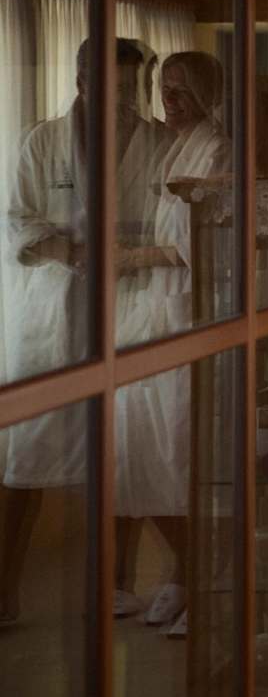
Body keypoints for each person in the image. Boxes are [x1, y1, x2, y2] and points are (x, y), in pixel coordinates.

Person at [1, 37, 172, 625]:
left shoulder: (158, 142)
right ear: (81, 82)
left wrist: (130, 256)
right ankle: (4, 590)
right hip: (55, 313)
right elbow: (17, 218)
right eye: (113, 86)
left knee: (126, 447)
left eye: (133, 87)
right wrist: (74, 253)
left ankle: (118, 583)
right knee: (28, 452)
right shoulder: (42, 141)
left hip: (130, 303)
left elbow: (171, 222)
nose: (126, 98)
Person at [112, 51, 231, 636]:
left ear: (207, 95)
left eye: (182, 91)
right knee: (137, 442)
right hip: (153, 308)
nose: (170, 101)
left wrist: (134, 258)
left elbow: (196, 239)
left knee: (179, 446)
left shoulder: (217, 149)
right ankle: (188, 573)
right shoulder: (172, 146)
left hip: (187, 307)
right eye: (165, 89)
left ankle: (199, 578)